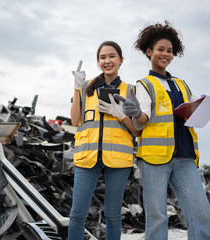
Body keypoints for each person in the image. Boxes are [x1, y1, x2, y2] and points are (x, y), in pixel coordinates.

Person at [114, 21, 210, 240]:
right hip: (153, 159)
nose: (165, 54)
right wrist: (134, 112)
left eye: (169, 51)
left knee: (201, 213)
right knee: (157, 217)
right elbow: (142, 120)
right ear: (149, 52)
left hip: (185, 156)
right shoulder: (144, 84)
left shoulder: (181, 84)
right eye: (160, 49)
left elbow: (199, 105)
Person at [68, 41, 139, 240]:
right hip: (87, 156)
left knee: (113, 216)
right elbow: (75, 121)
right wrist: (76, 88)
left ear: (121, 60)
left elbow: (136, 131)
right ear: (98, 61)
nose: (107, 61)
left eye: (112, 56)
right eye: (102, 57)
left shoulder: (130, 90)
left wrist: (121, 115)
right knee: (77, 214)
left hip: (118, 159)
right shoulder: (86, 87)